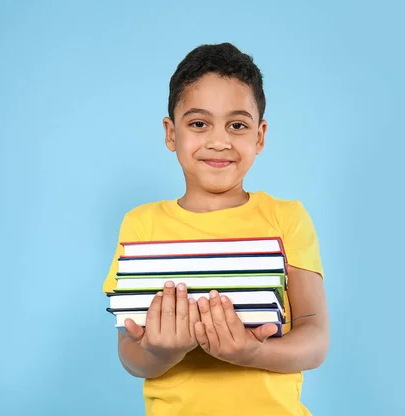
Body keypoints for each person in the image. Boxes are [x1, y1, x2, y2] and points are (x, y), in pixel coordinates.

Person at [101, 42, 329, 416]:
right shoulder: (140, 224)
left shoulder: (287, 217)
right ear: (171, 133)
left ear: (259, 135)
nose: (219, 141)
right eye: (198, 123)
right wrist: (161, 351)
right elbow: (129, 353)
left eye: (237, 125)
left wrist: (253, 351)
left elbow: (315, 339)